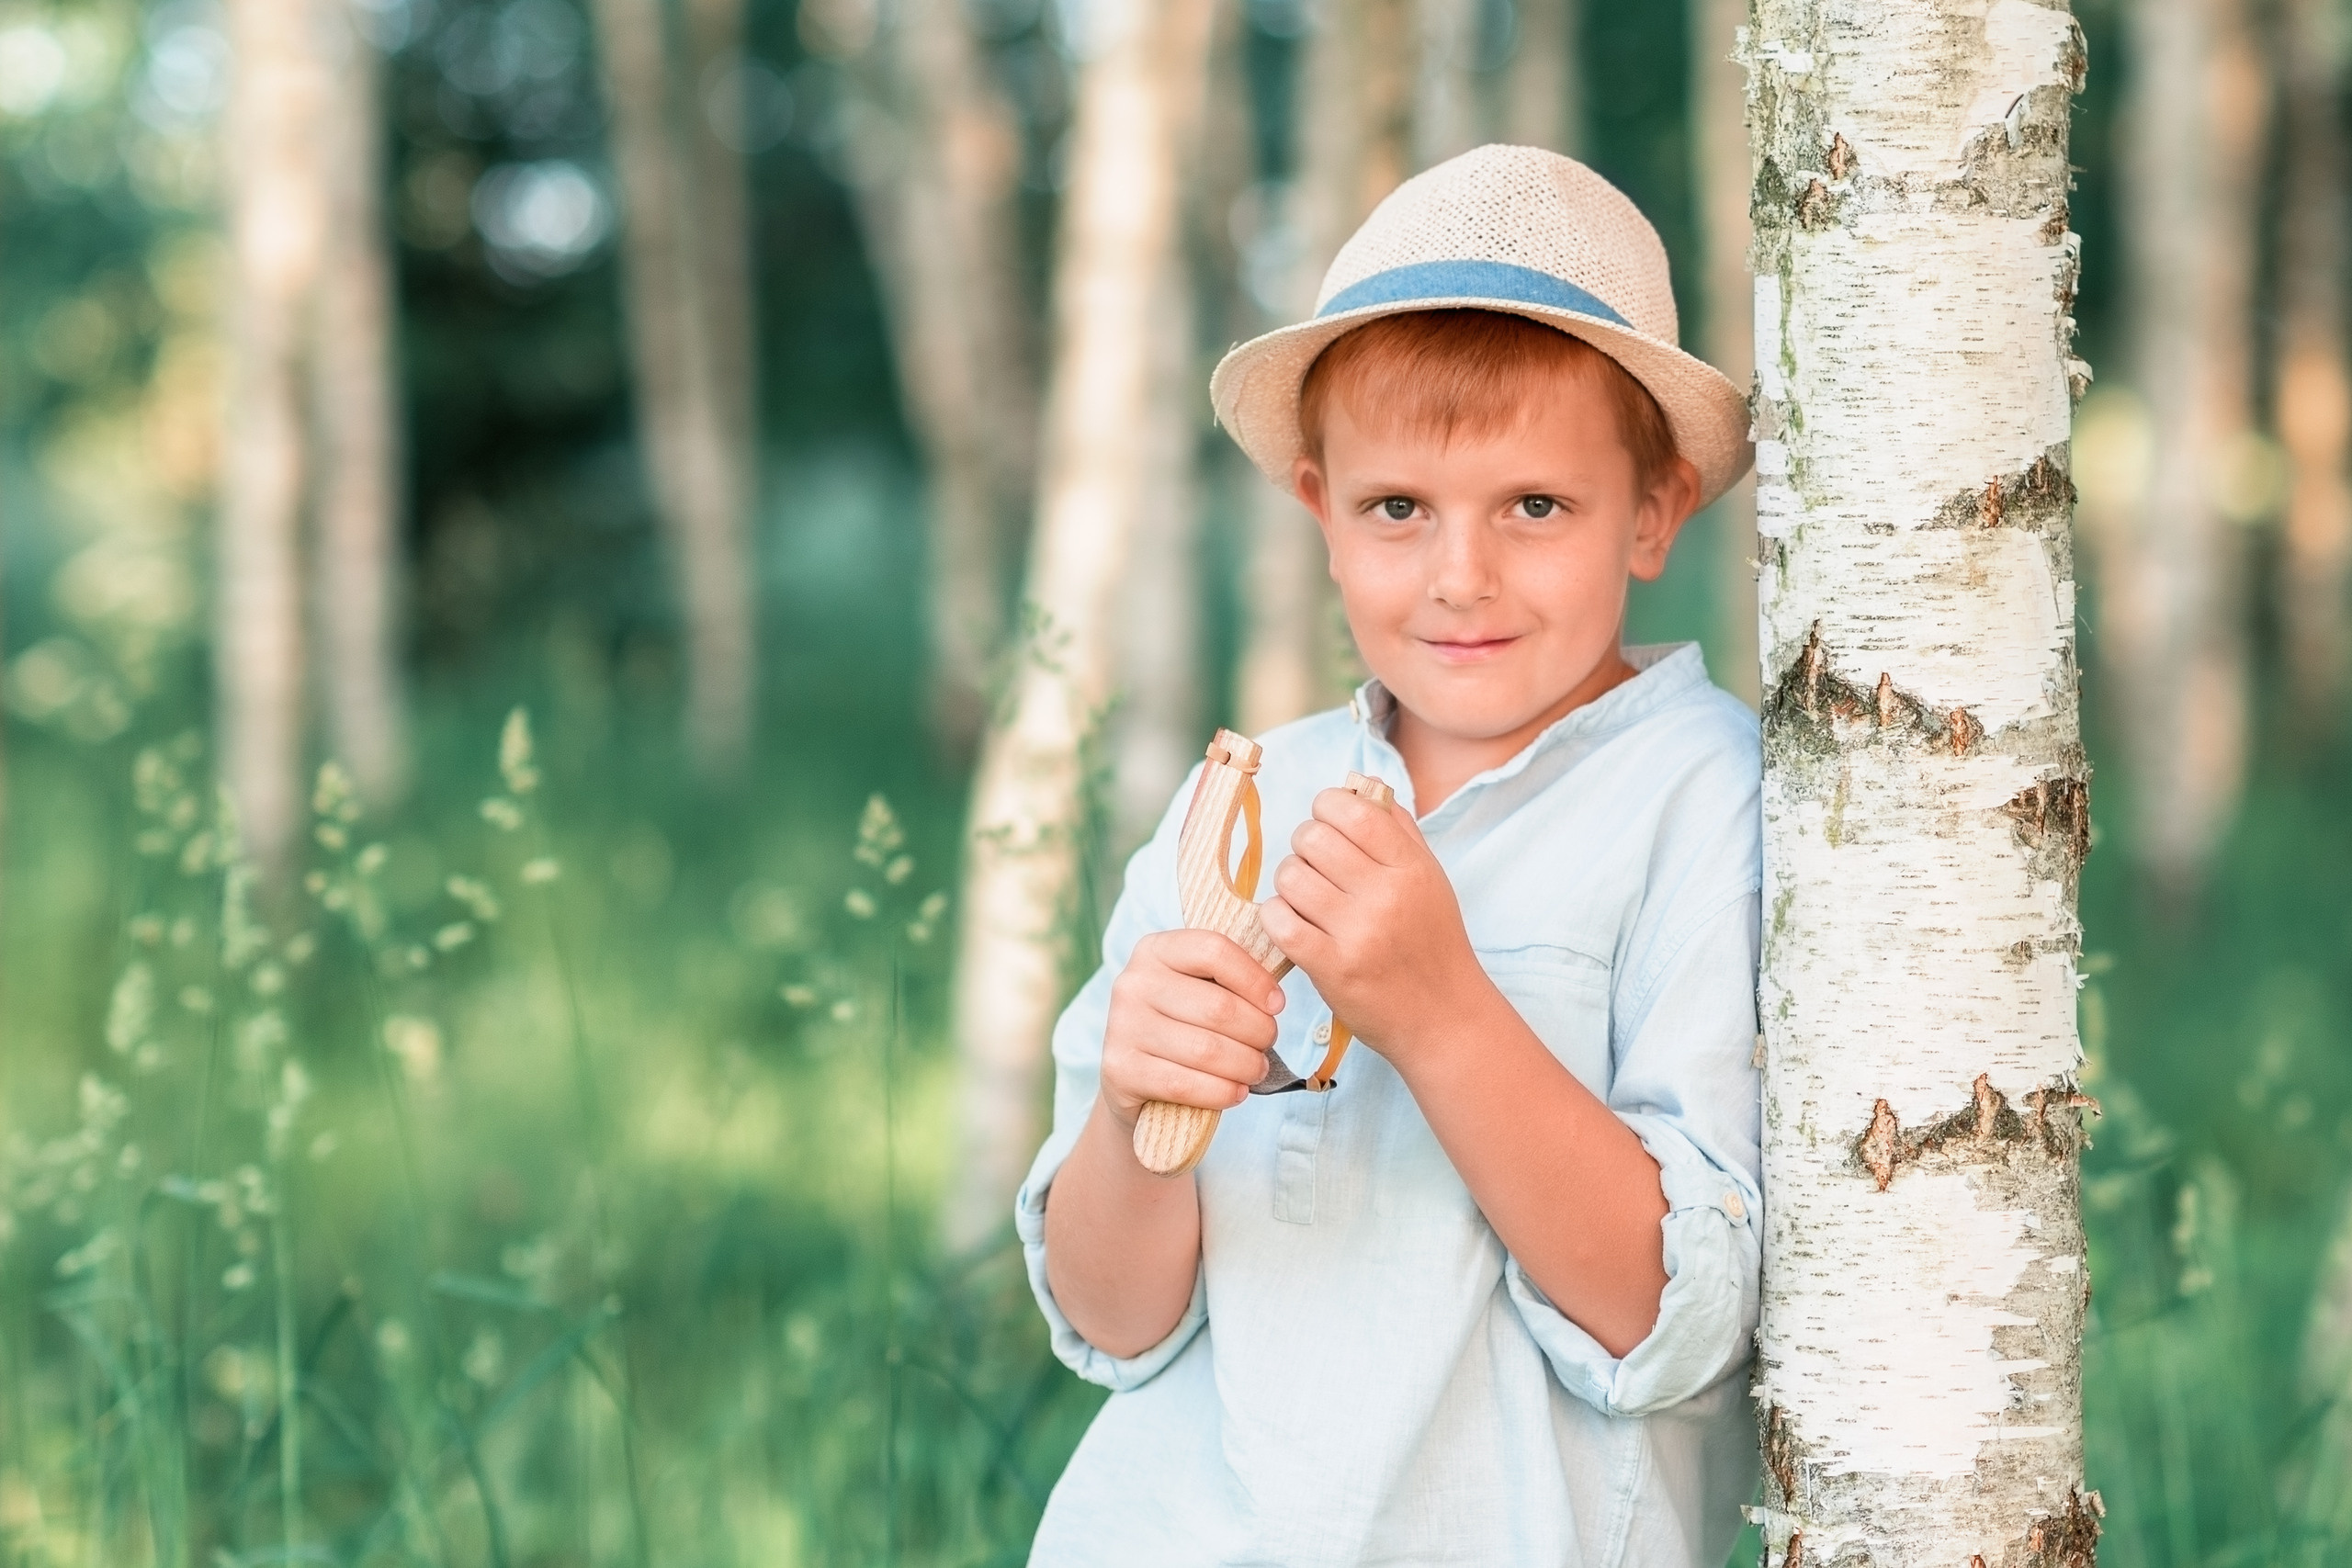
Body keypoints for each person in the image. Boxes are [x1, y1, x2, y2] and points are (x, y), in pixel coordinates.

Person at [1016, 144, 1763, 1567]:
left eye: (1534, 506)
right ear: (1319, 510)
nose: (1459, 575)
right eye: (1397, 508)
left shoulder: (1705, 798)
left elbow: (1672, 1320)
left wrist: (1442, 1010)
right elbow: (1112, 1320)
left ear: (1655, 510)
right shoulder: (1242, 805)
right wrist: (1135, 1117)